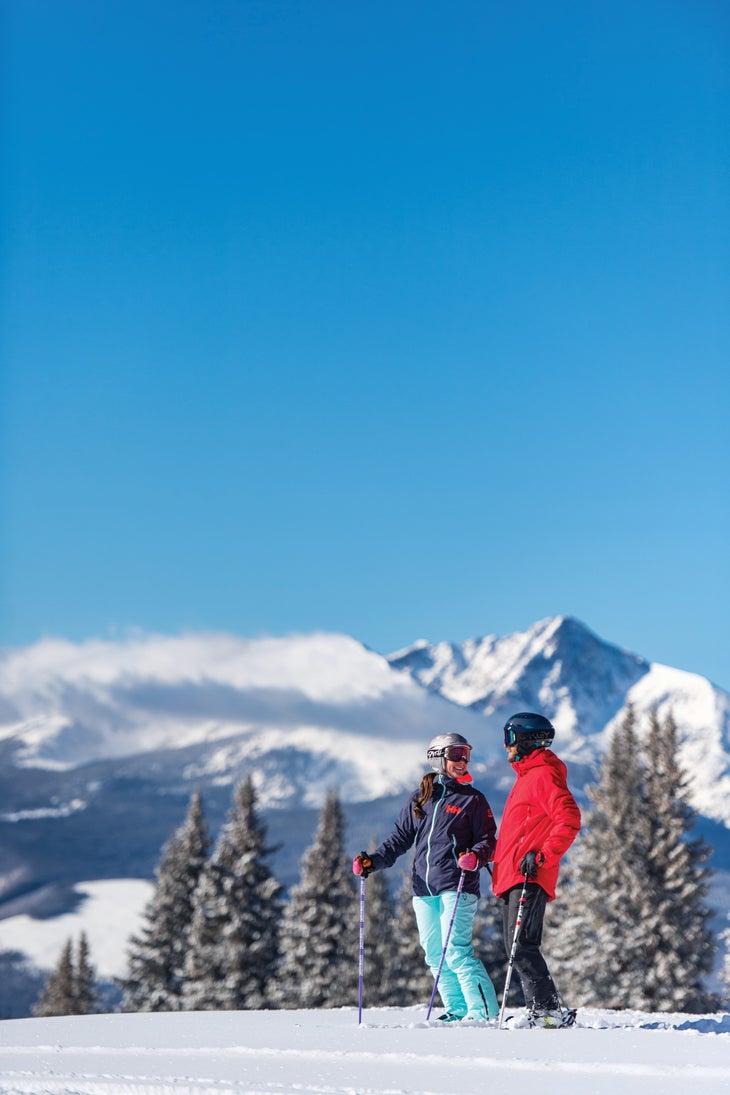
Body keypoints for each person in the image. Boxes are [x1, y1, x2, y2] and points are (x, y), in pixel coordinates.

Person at [353, 732, 499, 1023]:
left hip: (457, 884)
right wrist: (372, 862)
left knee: (456, 950)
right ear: (437, 757)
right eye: (456, 753)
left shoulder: (472, 799)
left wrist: (476, 857)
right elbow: (398, 841)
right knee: (434, 954)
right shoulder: (421, 799)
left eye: (466, 754)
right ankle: (457, 1010)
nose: (463, 760)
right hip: (423, 887)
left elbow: (489, 841)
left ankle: (482, 1012)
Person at [491, 712, 581, 1028]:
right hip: (512, 875)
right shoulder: (528, 776)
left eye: (510, 739)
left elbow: (569, 818)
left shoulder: (542, 775)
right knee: (515, 947)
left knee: (522, 946)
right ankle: (544, 1010)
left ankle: (546, 1013)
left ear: (526, 740)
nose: (506, 747)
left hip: (529, 875)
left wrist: (541, 856)